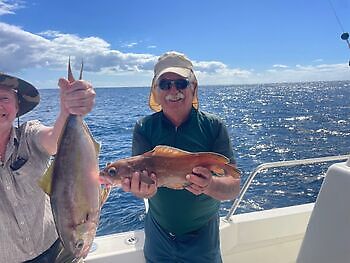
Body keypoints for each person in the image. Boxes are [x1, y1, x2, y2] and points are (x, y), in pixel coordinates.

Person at [122, 51, 241, 262]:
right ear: (156, 91)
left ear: (193, 87)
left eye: (181, 83)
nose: (173, 90)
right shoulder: (144, 128)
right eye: (165, 84)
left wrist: (209, 184)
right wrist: (142, 191)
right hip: (158, 235)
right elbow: (141, 184)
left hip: (203, 238)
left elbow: (233, 186)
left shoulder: (214, 127)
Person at [0, 72, 95, 262]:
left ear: (17, 106)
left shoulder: (29, 135)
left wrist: (68, 109)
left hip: (59, 247)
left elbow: (54, 140)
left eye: (4, 98)